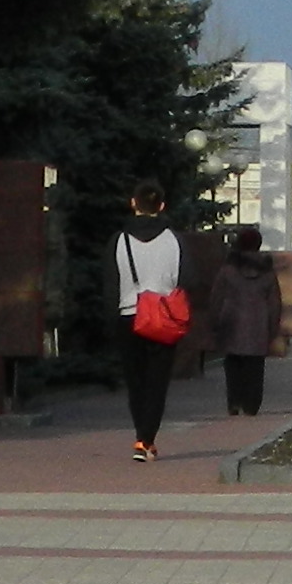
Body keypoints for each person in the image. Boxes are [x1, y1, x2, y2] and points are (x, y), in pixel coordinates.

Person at [115, 184, 187, 463]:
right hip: (164, 317)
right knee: (158, 382)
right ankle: (147, 439)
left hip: (128, 316)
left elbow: (110, 284)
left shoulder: (119, 240)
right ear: (162, 206)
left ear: (133, 203)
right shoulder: (174, 240)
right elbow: (187, 279)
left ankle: (141, 437)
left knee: (136, 382)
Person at [214, 223, 282, 419]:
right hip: (258, 324)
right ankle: (252, 405)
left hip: (231, 322)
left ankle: (234, 402)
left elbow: (217, 296)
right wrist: (273, 327)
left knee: (233, 364)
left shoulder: (228, 269)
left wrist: (214, 321)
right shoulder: (267, 271)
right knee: (255, 367)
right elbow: (274, 301)